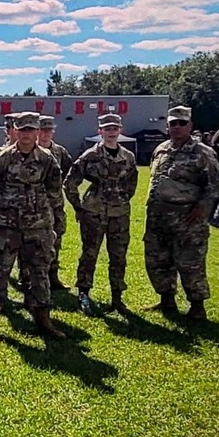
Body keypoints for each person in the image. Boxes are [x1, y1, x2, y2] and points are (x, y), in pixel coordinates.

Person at [0, 112, 64, 339]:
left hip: (37, 227)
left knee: (39, 273)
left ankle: (43, 321)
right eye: (22, 129)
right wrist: (2, 211)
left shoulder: (47, 159)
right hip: (6, 227)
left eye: (31, 129)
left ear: (38, 131)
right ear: (15, 130)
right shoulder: (2, 158)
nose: (27, 134)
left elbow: (54, 189)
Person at [144, 106, 219, 321]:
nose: (177, 127)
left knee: (190, 263)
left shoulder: (202, 152)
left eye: (181, 123)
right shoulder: (161, 149)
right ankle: (166, 299)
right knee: (158, 261)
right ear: (167, 126)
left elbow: (217, 184)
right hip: (158, 218)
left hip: (187, 219)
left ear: (190, 126)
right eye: (173, 123)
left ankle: (197, 307)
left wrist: (203, 207)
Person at [63, 113, 138, 314]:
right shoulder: (90, 156)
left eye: (114, 128)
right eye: (107, 129)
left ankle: (117, 297)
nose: (111, 132)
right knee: (89, 255)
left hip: (119, 213)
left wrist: (122, 198)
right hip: (93, 213)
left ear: (120, 131)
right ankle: (84, 294)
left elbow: (132, 182)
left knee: (118, 256)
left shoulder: (128, 157)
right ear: (100, 131)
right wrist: (79, 207)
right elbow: (70, 183)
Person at [37, 115, 73, 292]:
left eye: (49, 129)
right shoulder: (30, 151)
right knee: (33, 243)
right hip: (34, 207)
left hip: (55, 205)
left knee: (56, 240)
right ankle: (28, 278)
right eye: (42, 129)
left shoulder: (60, 152)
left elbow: (69, 172)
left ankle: (53, 276)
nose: (45, 133)